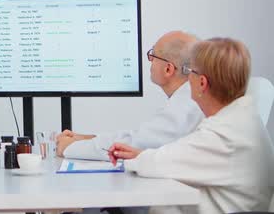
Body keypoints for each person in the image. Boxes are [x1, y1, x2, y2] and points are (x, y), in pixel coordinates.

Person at [108, 38, 274, 213]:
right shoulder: (241, 120)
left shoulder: (222, 135)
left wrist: (136, 159)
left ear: (202, 83)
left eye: (189, 72)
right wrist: (141, 154)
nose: (186, 79)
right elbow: (177, 157)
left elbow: (158, 164)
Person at [56, 31, 204, 160]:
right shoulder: (187, 99)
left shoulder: (186, 106)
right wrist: (85, 139)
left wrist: (70, 148)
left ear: (168, 69)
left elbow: (135, 144)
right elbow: (138, 135)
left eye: (153, 55)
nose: (150, 60)